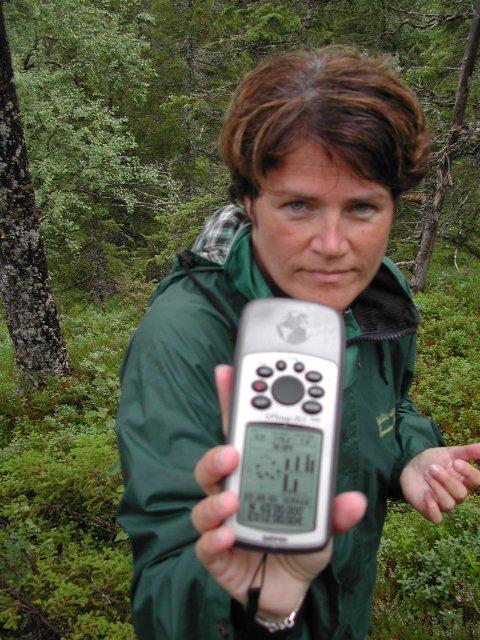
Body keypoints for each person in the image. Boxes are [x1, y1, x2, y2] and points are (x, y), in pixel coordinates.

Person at [116, 47, 480, 640]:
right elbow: (164, 583)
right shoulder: (183, 337)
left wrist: (411, 453)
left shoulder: (374, 301)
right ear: (250, 201)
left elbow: (389, 404)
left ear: (394, 207)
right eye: (299, 206)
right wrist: (265, 607)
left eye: (362, 207)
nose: (332, 244)